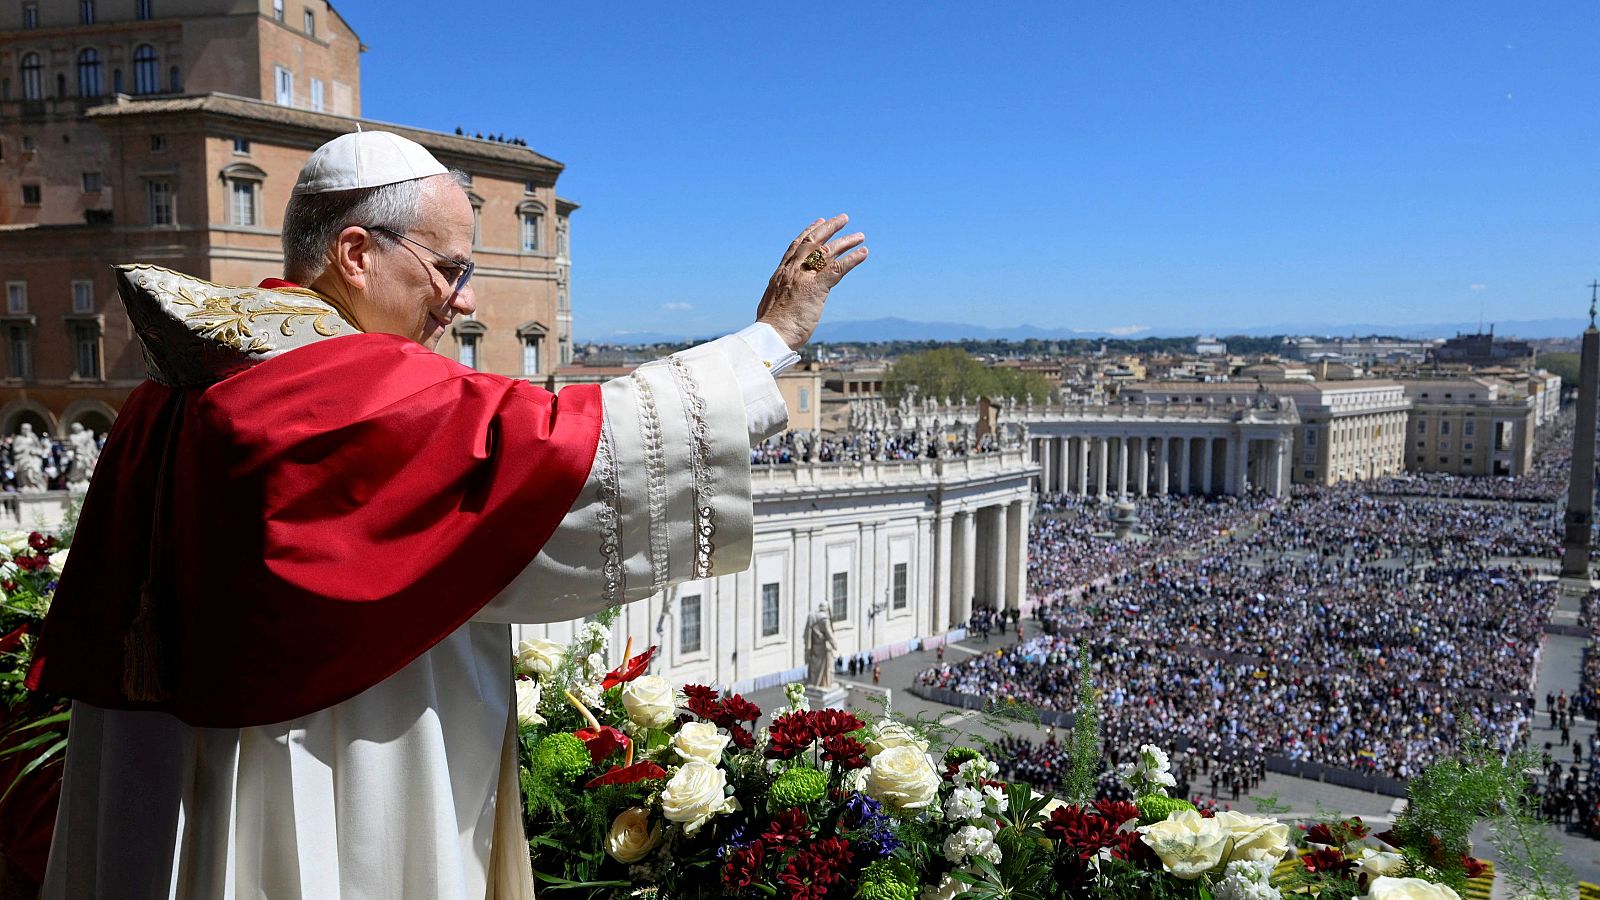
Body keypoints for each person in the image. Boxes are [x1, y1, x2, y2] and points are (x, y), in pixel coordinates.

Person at [29, 131, 869, 899]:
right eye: (448, 269)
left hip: (170, 771)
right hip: (323, 764)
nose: (461, 302)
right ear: (356, 254)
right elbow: (567, 448)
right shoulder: (340, 384)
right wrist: (771, 338)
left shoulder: (183, 376)